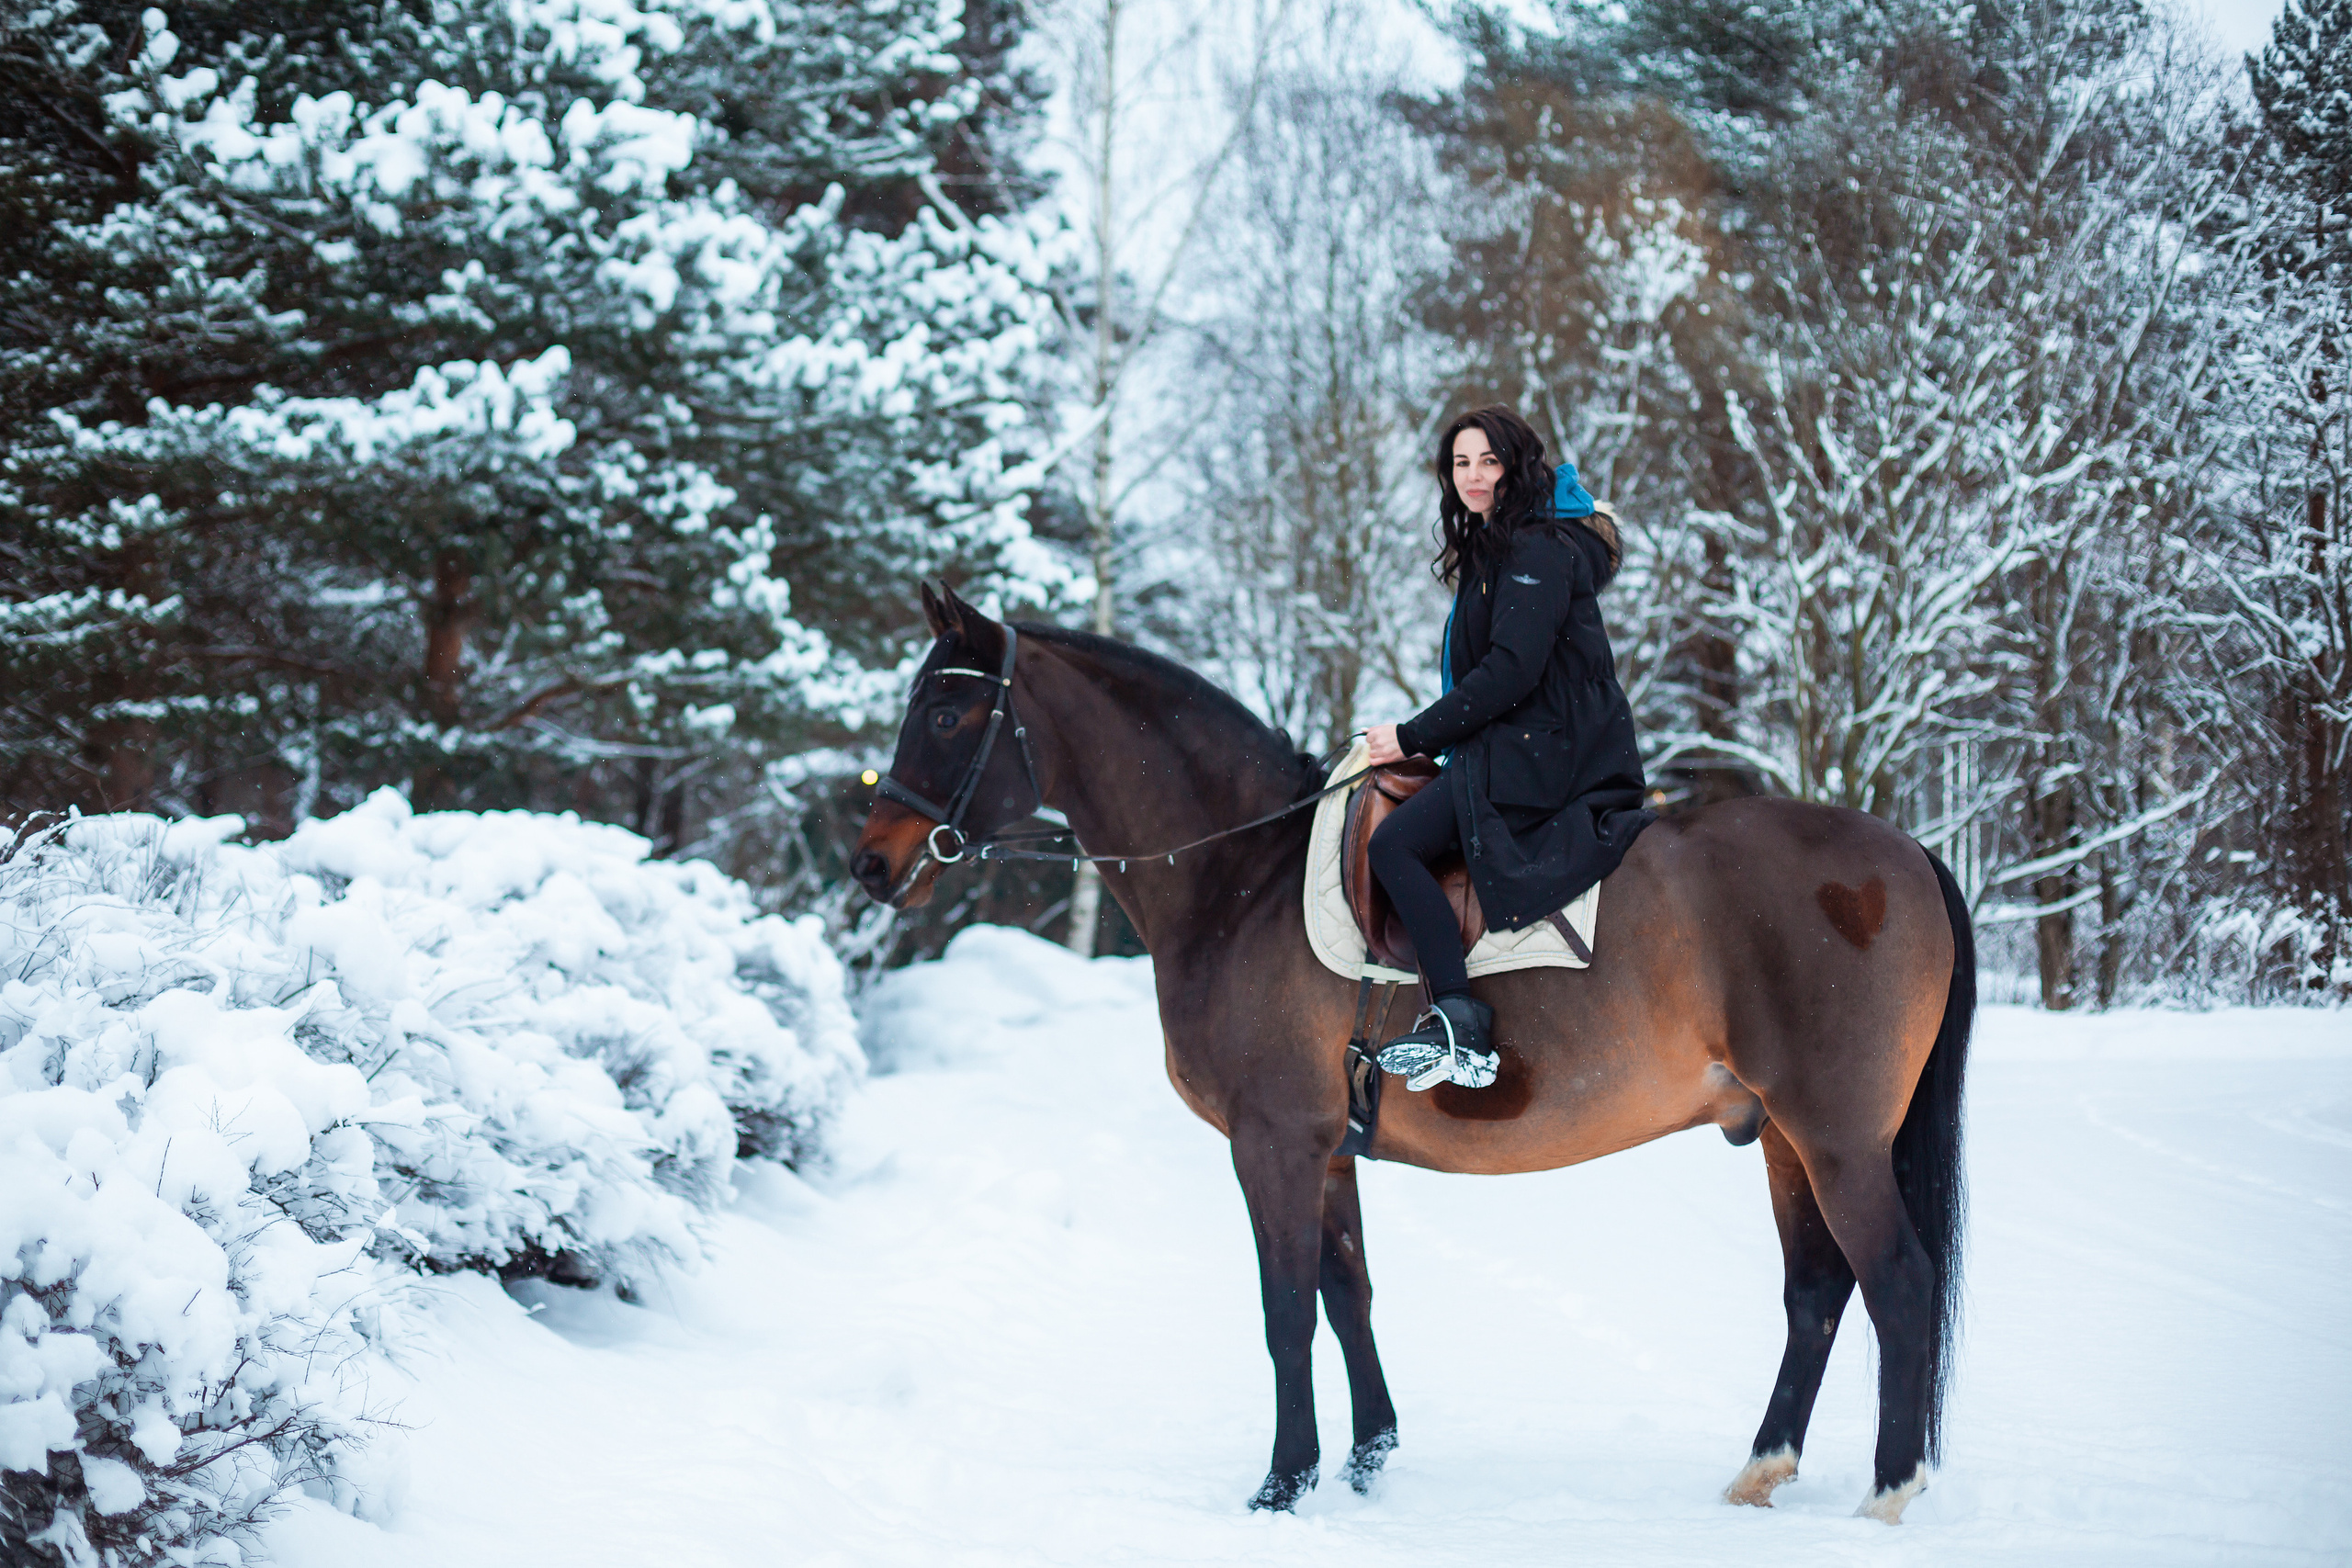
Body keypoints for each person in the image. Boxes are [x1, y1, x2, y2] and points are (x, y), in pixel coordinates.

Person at [1364, 406, 1656, 1091]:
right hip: (1528, 738)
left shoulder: (1536, 548)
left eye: (1488, 461)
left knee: (1393, 845)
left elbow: (1511, 671)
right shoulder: (1507, 543)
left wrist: (1410, 736)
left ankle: (1459, 1017)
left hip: (1549, 751)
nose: (1472, 476)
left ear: (1516, 465)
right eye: (1460, 463)